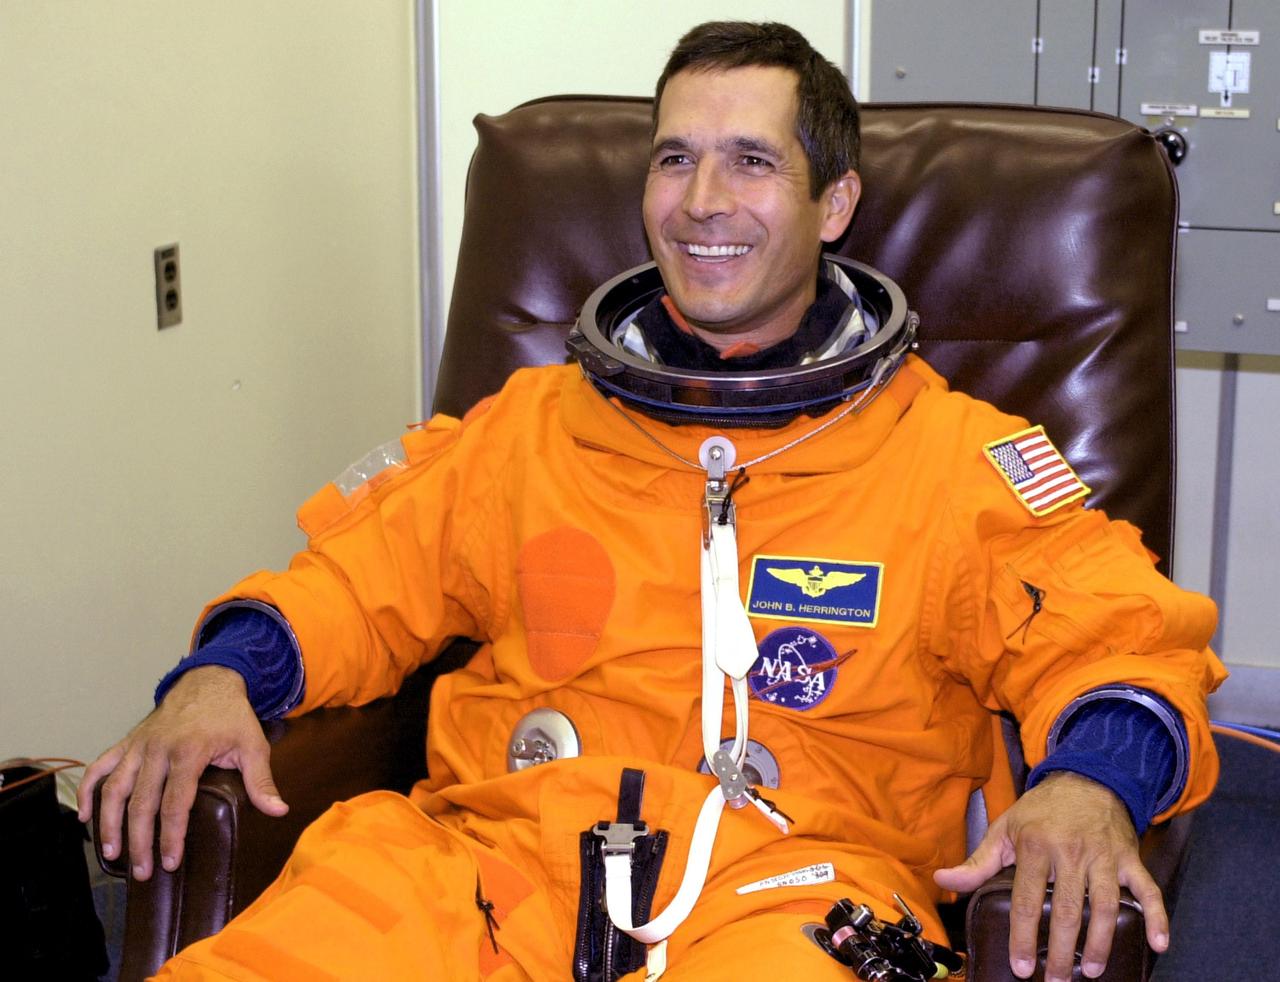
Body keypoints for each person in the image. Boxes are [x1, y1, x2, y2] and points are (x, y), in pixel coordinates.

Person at [78, 21, 1225, 982]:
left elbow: (1114, 633)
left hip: (793, 888)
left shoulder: (947, 459)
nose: (699, 202)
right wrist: (225, 671)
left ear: (834, 204)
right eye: (672, 160)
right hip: (483, 864)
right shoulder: (528, 429)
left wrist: (1088, 778)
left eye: (750, 162)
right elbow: (350, 580)